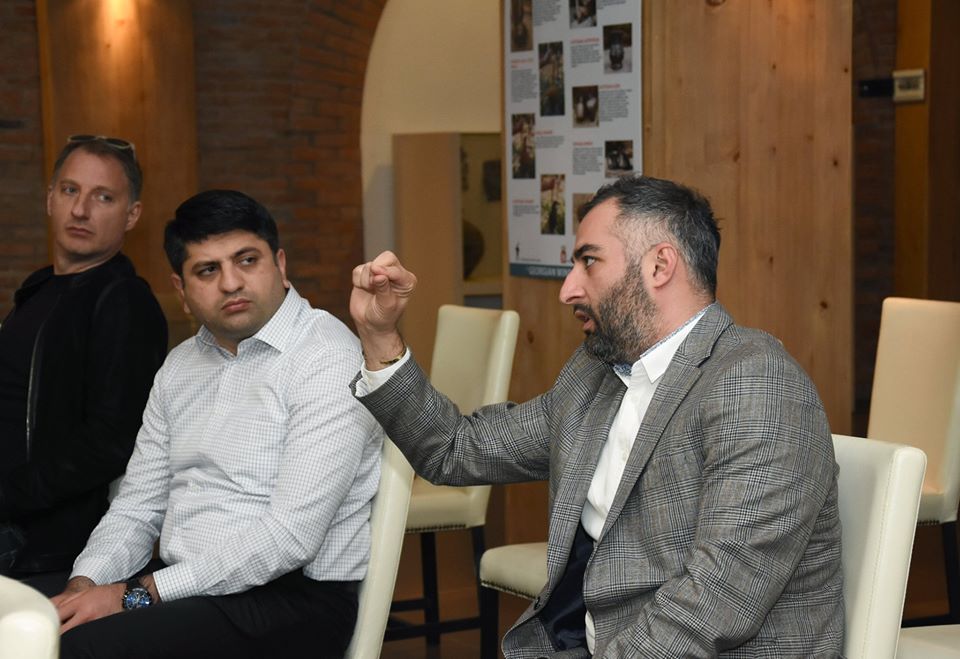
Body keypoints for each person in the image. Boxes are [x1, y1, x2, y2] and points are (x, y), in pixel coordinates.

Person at [350, 175, 843, 657]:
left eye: (589, 261)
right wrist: (380, 336)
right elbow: (455, 449)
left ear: (660, 265)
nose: (567, 289)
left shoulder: (754, 382)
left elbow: (713, 603)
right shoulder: (598, 374)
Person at [51, 190, 384, 659]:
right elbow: (137, 506)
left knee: (79, 649)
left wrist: (134, 595)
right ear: (181, 291)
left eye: (247, 260)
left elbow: (289, 538)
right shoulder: (180, 366)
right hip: (183, 586)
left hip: (292, 602)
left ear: (280, 265)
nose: (231, 283)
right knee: (37, 626)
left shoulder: (327, 358)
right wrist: (84, 587)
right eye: (207, 270)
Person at [0, 135, 167, 581]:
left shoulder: (125, 302)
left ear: (132, 214)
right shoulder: (38, 291)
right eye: (70, 190)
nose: (80, 209)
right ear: (49, 199)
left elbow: (112, 441)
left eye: (103, 197)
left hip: (39, 543)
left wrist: (7, 495)